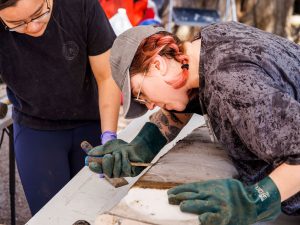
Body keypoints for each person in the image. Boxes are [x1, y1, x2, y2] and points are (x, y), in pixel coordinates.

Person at [85, 23, 300, 224]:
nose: (149, 106)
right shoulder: (206, 46)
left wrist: (255, 199)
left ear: (158, 65)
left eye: (141, 95)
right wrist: (144, 145)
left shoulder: (231, 79)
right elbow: (193, 97)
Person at [0, 0, 120, 215]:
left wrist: (109, 134)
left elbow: (107, 75)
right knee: (51, 215)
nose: (34, 27)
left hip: (90, 121)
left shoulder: (80, 5)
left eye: (38, 14)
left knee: (94, 212)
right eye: (17, 24)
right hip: (35, 129)